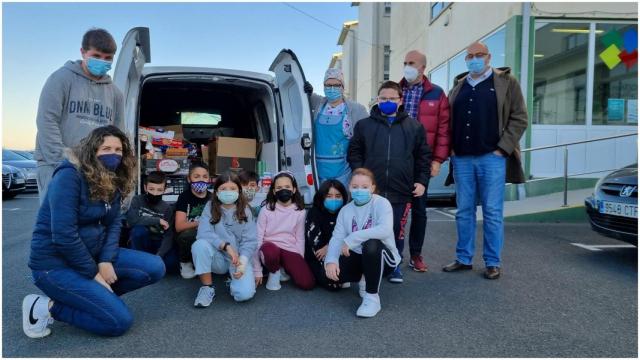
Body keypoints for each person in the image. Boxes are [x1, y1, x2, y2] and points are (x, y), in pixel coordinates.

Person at [23, 125, 165, 338]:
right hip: (54, 265)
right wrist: (95, 274)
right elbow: (64, 236)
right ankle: (46, 307)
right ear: (92, 150)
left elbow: (115, 222)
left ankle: (93, 300)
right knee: (119, 323)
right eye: (106, 148)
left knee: (154, 267)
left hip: (94, 254)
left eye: (118, 150)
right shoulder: (69, 176)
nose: (113, 154)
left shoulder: (112, 177)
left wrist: (106, 260)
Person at [442, 41, 528, 280]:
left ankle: (492, 262)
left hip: (492, 158)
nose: (474, 59)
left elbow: (519, 118)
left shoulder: (506, 82)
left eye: (479, 55)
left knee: (491, 211)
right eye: (470, 56)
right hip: (462, 159)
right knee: (464, 211)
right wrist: (451, 149)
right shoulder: (458, 86)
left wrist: (502, 149)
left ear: (489, 57)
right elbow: (448, 121)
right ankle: (463, 258)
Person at [348, 81, 431, 284]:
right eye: (383, 98)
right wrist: (361, 175)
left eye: (392, 99)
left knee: (395, 230)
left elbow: (423, 157)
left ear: (400, 100)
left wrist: (421, 181)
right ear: (377, 100)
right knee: (367, 227)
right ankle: (366, 264)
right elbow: (354, 152)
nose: (387, 102)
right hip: (371, 191)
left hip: (400, 190)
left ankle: (394, 265)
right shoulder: (364, 125)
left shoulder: (414, 127)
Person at [34, 28, 123, 203]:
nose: (102, 61)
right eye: (96, 56)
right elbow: (47, 121)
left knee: (91, 224)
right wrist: (63, 163)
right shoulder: (61, 79)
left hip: (97, 169)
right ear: (83, 52)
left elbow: (119, 133)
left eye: (108, 58)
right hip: (57, 165)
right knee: (58, 221)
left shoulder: (115, 93)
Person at [399, 50, 451, 273]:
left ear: (422, 67)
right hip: (397, 160)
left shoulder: (437, 94)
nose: (407, 66)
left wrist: (438, 159)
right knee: (394, 209)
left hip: (421, 161)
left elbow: (443, 129)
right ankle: (393, 255)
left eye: (411, 63)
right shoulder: (395, 90)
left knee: (419, 210)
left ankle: (416, 254)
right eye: (404, 63)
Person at [324, 168, 401, 318]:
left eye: (365, 187)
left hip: (385, 258)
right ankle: (363, 279)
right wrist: (331, 261)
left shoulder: (381, 203)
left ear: (372, 187)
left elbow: (384, 230)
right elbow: (337, 238)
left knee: (371, 244)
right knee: (331, 275)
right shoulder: (345, 210)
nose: (360, 190)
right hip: (360, 256)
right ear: (349, 188)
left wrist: (352, 238)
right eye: (355, 186)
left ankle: (372, 298)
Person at [191, 171, 257, 307]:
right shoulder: (210, 207)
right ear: (216, 191)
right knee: (199, 245)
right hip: (218, 257)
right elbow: (203, 233)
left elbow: (250, 241)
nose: (228, 192)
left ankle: (232, 280)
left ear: (239, 190)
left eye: (232, 188)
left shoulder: (245, 210)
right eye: (223, 189)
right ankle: (207, 288)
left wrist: (243, 262)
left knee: (244, 295)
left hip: (237, 260)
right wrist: (225, 246)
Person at [303, 68, 369, 188]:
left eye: (336, 85)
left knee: (341, 201)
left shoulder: (356, 109)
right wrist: (307, 91)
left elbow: (366, 137)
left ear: (343, 87)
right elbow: (303, 98)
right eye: (328, 85)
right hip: (317, 169)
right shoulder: (318, 104)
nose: (331, 88)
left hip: (343, 171)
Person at [253, 171, 314, 291]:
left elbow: (300, 237)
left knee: (308, 283)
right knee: (271, 252)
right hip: (269, 249)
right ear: (274, 191)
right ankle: (274, 272)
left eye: (287, 187)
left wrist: (299, 259)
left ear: (294, 189)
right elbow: (257, 238)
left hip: (289, 248)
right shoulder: (266, 210)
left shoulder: (300, 211)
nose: (283, 190)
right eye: (279, 187)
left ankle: (283, 267)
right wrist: (257, 268)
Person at [126, 171, 178, 273]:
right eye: (151, 189)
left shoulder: (167, 208)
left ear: (164, 190)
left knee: (172, 264)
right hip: (141, 241)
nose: (155, 193)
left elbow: (168, 236)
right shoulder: (137, 200)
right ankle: (138, 262)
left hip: (157, 242)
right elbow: (132, 221)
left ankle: (151, 261)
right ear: (145, 188)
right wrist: (157, 220)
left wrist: (159, 255)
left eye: (159, 190)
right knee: (138, 231)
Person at [304, 179, 349, 290]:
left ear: (344, 197)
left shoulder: (346, 212)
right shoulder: (314, 212)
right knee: (333, 284)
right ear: (322, 197)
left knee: (339, 276)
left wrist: (330, 247)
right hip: (316, 257)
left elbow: (350, 236)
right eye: (329, 196)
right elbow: (317, 248)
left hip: (338, 253)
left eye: (338, 196)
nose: (334, 199)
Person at [175, 162, 211, 279]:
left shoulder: (213, 198)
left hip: (209, 233)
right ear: (189, 179)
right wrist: (200, 223)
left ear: (209, 179)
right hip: (191, 235)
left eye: (205, 177)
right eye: (196, 176)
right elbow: (179, 226)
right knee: (186, 235)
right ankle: (185, 263)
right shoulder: (184, 197)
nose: (201, 180)